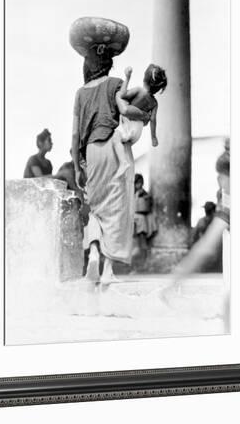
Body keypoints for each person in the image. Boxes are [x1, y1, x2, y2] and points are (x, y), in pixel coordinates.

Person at [70, 17, 151, 285]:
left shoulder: (81, 93)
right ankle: (107, 271)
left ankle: (93, 252)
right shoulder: (117, 84)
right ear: (108, 63)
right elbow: (131, 109)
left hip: (91, 152)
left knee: (95, 209)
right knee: (116, 210)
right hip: (113, 149)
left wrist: (76, 166)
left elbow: (75, 135)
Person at [161, 140, 231, 330]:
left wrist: (174, 280)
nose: (219, 181)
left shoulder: (229, 204)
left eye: (221, 176)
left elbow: (205, 247)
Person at [116, 64, 167, 147]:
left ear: (144, 79)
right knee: (127, 145)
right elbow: (153, 119)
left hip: (127, 123)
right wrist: (153, 137)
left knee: (118, 94)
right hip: (137, 129)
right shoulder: (154, 103)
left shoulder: (139, 90)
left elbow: (123, 95)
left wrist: (127, 77)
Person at [132, 173, 157, 271]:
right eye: (137, 183)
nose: (139, 185)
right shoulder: (132, 193)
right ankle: (136, 264)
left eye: (140, 183)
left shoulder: (143, 193)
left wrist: (146, 197)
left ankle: (143, 262)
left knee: (142, 242)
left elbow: (147, 204)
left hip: (142, 217)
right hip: (134, 217)